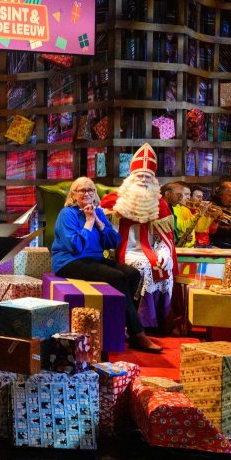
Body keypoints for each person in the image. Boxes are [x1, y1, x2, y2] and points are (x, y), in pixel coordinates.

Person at [54, 176, 162, 353]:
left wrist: (98, 221)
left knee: (133, 273)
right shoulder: (67, 214)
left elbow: (113, 241)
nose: (87, 193)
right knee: (118, 278)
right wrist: (88, 223)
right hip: (69, 261)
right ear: (73, 194)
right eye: (82, 190)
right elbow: (75, 246)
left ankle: (124, 325)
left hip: (93, 259)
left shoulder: (98, 212)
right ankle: (137, 333)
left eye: (91, 189)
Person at [99, 144, 178, 335]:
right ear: (131, 177)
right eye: (139, 176)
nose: (143, 180)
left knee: (162, 267)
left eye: (147, 177)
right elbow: (106, 232)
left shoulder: (160, 205)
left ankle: (158, 323)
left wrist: (164, 253)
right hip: (124, 250)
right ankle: (139, 323)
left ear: (154, 180)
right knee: (144, 268)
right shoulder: (114, 200)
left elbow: (162, 238)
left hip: (149, 249)